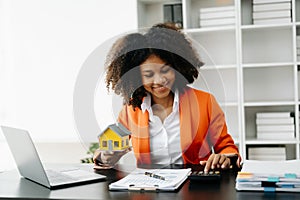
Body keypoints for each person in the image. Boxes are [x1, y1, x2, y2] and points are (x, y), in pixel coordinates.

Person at [94, 23, 241, 172]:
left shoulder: (205, 102)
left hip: (195, 187)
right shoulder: (130, 110)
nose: (159, 80)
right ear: (137, 77)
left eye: (165, 70)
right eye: (149, 75)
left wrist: (225, 157)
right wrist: (105, 157)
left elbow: (226, 147)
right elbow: (104, 153)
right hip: (149, 188)